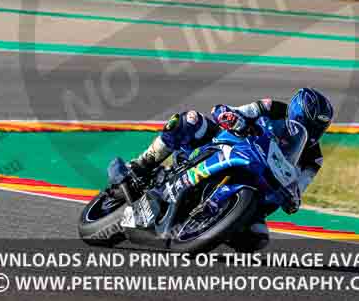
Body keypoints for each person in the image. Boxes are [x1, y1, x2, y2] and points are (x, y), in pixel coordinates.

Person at [129, 87, 334, 251]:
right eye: (311, 123)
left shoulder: (313, 158)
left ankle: (214, 226)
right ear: (297, 112)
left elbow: (299, 188)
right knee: (189, 120)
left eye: (319, 127)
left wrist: (293, 200)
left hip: (260, 183)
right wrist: (232, 117)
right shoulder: (271, 107)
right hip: (229, 146)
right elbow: (231, 111)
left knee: (256, 239)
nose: (315, 131)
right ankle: (142, 164)